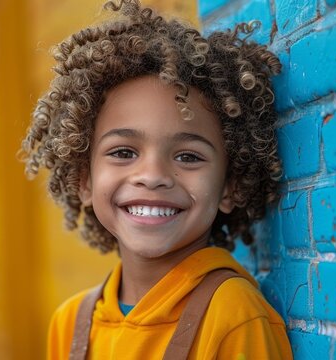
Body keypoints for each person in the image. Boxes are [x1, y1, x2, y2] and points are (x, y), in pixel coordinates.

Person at [21, 0, 292, 358]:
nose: (152, 176)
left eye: (188, 157)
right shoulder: (70, 323)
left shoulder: (233, 317)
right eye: (123, 152)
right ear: (84, 178)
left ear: (230, 186)